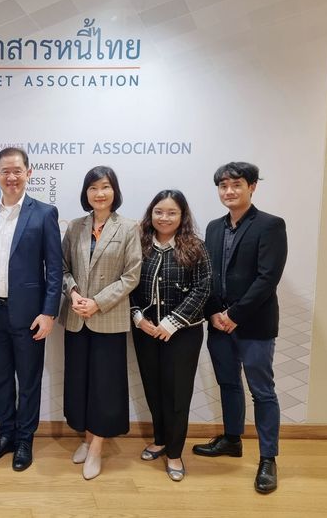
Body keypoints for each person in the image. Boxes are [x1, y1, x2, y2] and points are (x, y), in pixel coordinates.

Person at [191, 162, 287, 494]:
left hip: (254, 324)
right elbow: (208, 275)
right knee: (228, 384)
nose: (229, 191)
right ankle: (232, 439)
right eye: (223, 186)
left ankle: (268, 458)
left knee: (262, 391)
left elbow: (267, 278)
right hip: (218, 323)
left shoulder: (271, 225)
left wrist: (235, 314)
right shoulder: (214, 228)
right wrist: (214, 313)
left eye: (236, 185)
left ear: (252, 187)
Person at [0, 147, 62, 472]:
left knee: (29, 381)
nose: (11, 177)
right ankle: (5, 435)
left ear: (28, 173)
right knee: (1, 380)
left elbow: (55, 268)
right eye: (5, 171)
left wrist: (49, 312)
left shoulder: (44, 213)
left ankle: (25, 440)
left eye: (17, 171)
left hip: (30, 316)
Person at [60, 166, 141, 480]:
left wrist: (97, 302)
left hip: (108, 317)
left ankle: (97, 447)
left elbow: (131, 276)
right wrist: (74, 293)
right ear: (86, 193)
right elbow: (63, 268)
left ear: (114, 191)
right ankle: (86, 437)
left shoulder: (129, 228)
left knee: (105, 386)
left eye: (105, 187)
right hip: (77, 317)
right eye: (93, 188)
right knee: (79, 383)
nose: (99, 193)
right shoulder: (75, 227)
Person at [131, 189, 212, 482]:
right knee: (153, 388)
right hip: (146, 331)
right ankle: (160, 440)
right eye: (159, 211)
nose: (164, 218)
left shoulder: (195, 247)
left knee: (177, 393)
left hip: (183, 334)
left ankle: (175, 452)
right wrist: (138, 318)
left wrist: (172, 322)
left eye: (171, 212)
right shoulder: (139, 245)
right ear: (151, 214)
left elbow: (203, 288)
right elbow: (128, 284)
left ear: (182, 216)